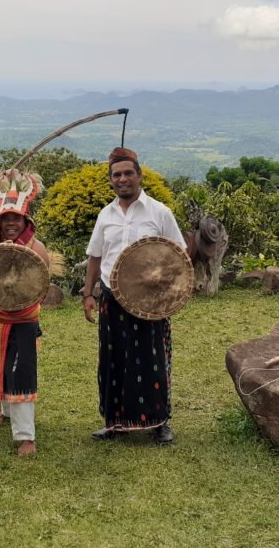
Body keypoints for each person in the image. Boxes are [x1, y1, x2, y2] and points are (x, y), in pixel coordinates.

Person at [82, 147, 186, 445]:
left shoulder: (159, 213)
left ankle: (160, 422)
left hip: (149, 302)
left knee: (152, 359)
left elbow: (178, 255)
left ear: (140, 176)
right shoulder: (106, 215)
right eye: (117, 175)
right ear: (111, 180)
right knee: (113, 360)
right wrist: (88, 294)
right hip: (111, 301)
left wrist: (170, 292)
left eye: (129, 173)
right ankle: (114, 423)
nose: (123, 179)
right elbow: (95, 257)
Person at [0, 170, 50, 457]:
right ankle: (5, 413)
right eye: (6, 218)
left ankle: (26, 437)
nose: (10, 223)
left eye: (16, 219)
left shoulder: (36, 248)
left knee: (20, 375)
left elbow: (41, 288)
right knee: (2, 369)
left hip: (23, 322)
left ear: (25, 220)